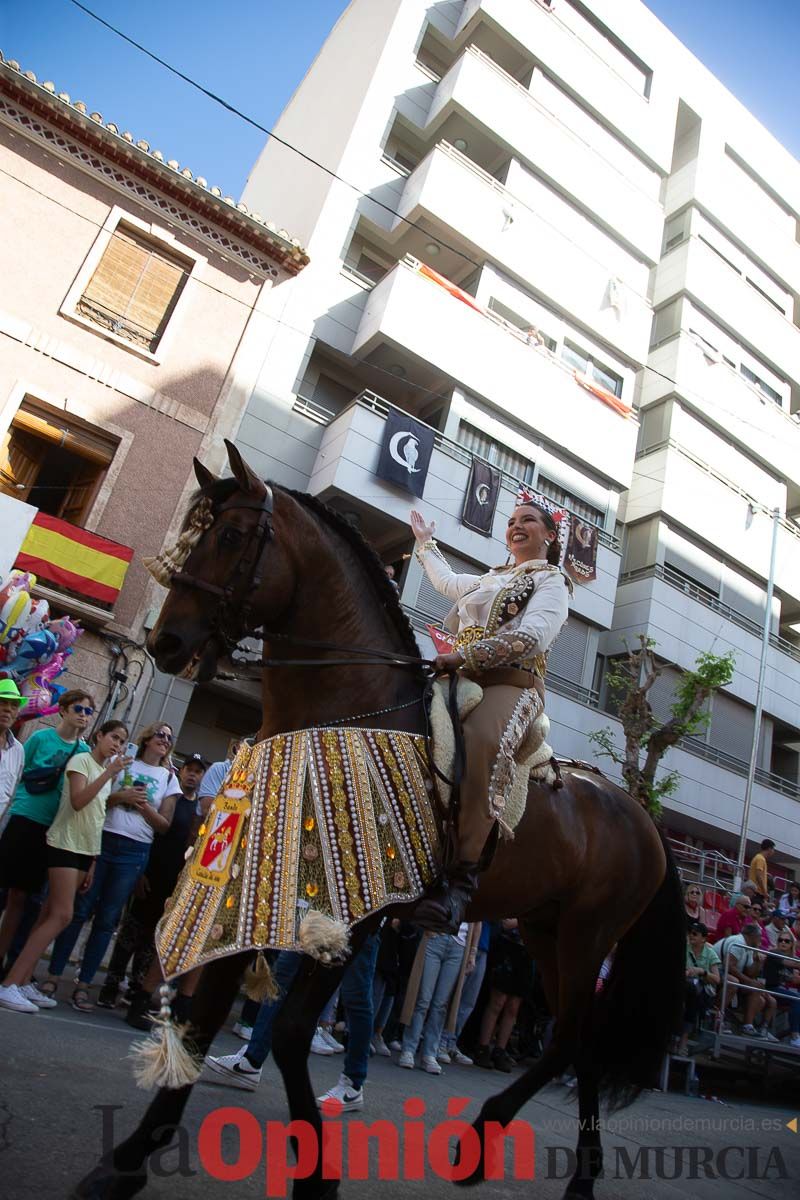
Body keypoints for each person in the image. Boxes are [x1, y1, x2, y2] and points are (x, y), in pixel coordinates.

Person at [409, 498, 569, 930]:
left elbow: (534, 635)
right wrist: (425, 543)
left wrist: (468, 656)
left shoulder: (553, 581)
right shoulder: (490, 578)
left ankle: (460, 881)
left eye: (529, 522)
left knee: (480, 741)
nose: (517, 527)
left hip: (512, 684)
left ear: (549, 537)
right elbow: (445, 582)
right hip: (461, 676)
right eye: (513, 521)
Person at [45, 722, 181, 1010]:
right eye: (160, 734)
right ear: (147, 738)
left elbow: (165, 826)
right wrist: (122, 797)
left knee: (107, 920)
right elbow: (97, 799)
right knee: (80, 910)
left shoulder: (169, 778)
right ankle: (54, 975)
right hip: (103, 840)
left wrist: (143, 805)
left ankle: (84, 985)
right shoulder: (122, 764)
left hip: (135, 850)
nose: (165, 740)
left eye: (169, 738)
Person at [0, 721, 130, 1013]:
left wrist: (94, 859)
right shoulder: (81, 761)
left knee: (48, 914)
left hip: (86, 848)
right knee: (62, 915)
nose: (117, 746)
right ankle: (8, 984)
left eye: (122, 742)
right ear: (99, 736)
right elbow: (78, 801)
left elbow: (97, 817)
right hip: (65, 843)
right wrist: (109, 772)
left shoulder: (106, 772)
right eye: (113, 738)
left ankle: (19, 981)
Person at [205, 932, 380, 1111]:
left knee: (355, 998)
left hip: (360, 921)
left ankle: (353, 1083)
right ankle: (252, 1060)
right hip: (321, 914)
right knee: (282, 975)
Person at [100, 752, 208, 1015]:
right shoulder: (170, 799)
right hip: (150, 872)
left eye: (198, 771)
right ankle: (110, 986)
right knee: (131, 932)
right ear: (181, 772)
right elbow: (154, 833)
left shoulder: (199, 811)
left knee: (153, 938)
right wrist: (141, 871)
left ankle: (137, 988)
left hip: (174, 882)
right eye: (189, 770)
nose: (192, 775)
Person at [0, 689, 94, 968]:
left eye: (89, 711)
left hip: (50, 829)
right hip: (22, 818)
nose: (83, 715)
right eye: (78, 708)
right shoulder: (41, 738)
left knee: (22, 897)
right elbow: (16, 774)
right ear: (62, 710)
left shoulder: (85, 752)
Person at [397, 926, 470, 1074]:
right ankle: (409, 1049)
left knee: (441, 1004)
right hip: (436, 937)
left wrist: (472, 951)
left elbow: (477, 921)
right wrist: (426, 925)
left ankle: (429, 1053)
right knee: (423, 999)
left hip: (459, 943)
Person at [473, 918, 534, 1072]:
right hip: (507, 946)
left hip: (527, 951)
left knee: (514, 1006)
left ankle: (500, 1050)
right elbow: (506, 923)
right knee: (498, 1001)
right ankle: (483, 1046)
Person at [439, 920, 491, 1065]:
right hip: (464, 941)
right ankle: (441, 1040)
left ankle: (451, 1041)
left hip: (482, 945)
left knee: (468, 1001)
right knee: (452, 995)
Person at [719, 923, 778, 1040]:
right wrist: (749, 982)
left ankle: (752, 1027)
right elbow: (728, 965)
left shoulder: (749, 947)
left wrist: (758, 961)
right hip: (716, 970)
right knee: (738, 982)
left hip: (729, 974)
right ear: (752, 935)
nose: (761, 939)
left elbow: (750, 973)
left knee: (762, 998)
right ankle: (718, 1017)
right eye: (759, 936)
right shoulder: (739, 942)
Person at [677, 921, 720, 1056]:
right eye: (690, 933)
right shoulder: (684, 948)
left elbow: (717, 979)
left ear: (704, 938)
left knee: (693, 997)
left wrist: (702, 971)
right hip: (683, 986)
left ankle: (683, 1040)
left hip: (702, 991)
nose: (691, 936)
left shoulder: (710, 953)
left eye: (695, 933)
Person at [764, 932, 800, 1047]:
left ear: (791, 944)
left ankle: (788, 1035)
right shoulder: (774, 953)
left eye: (787, 941)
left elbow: (793, 979)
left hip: (778, 989)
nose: (783, 942)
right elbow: (790, 964)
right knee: (796, 998)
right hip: (767, 988)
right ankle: (794, 1037)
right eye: (780, 940)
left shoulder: (790, 958)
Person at [0, 679, 26, 819]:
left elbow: (10, 796)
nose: (8, 709)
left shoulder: (18, 750)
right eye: (2, 702)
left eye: (14, 705)